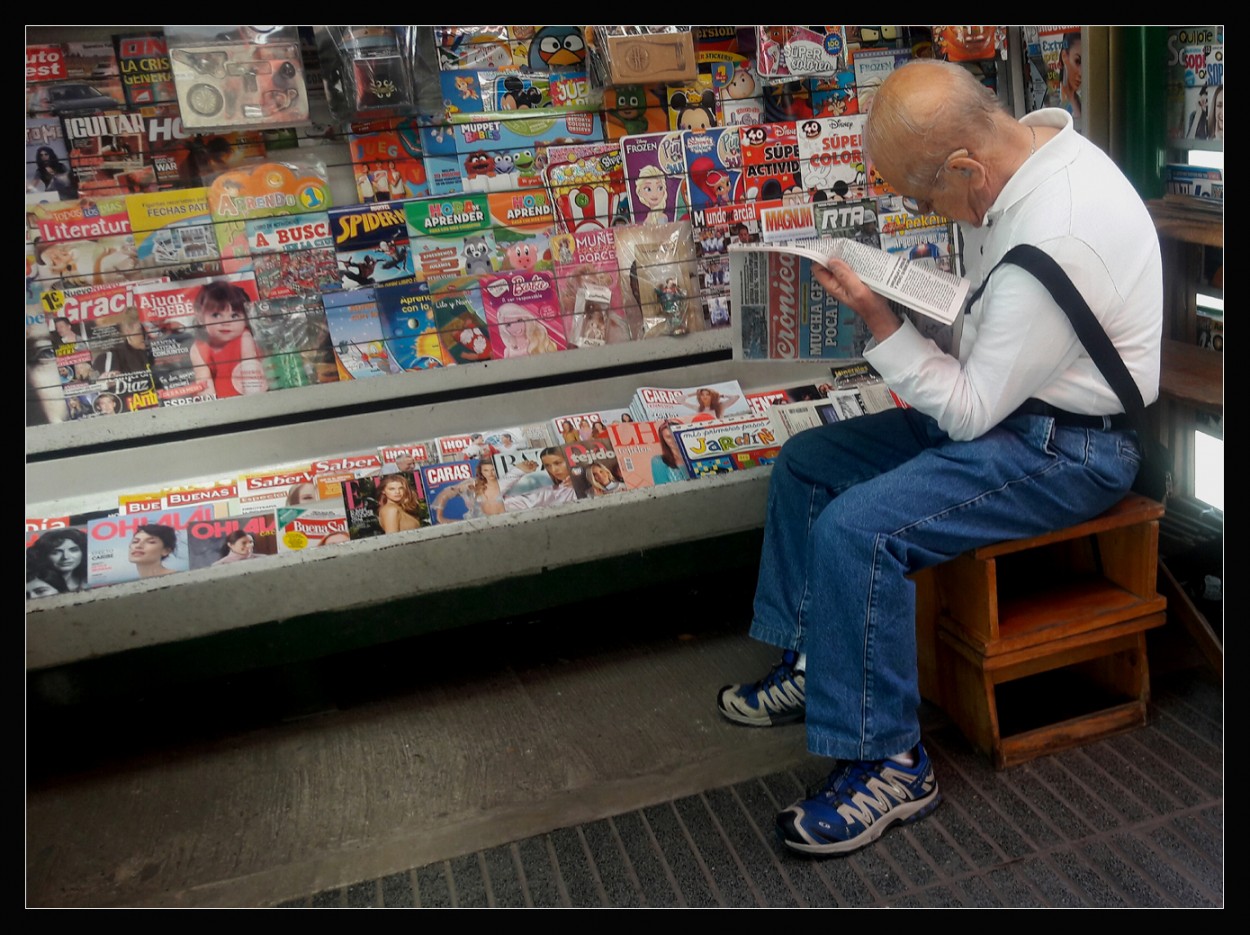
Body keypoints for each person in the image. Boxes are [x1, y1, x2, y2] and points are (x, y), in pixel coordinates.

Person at [717, 59, 1159, 858]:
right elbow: (991, 348)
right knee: (808, 461)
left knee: (860, 531)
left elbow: (965, 409)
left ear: (966, 168)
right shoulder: (1030, 154)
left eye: (925, 199)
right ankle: (818, 661)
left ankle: (892, 761)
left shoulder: (1054, 232)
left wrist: (885, 325)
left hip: (1068, 447)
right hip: (1015, 408)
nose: (926, 211)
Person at [189, 281, 268, 398]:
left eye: (234, 316)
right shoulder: (199, 347)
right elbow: (204, 382)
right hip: (222, 404)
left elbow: (251, 375)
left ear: (246, 319)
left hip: (251, 398)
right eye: (216, 315)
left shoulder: (245, 337)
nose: (226, 322)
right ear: (201, 318)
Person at [497, 447, 578, 511]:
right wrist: (518, 470)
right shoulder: (548, 494)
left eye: (558, 463)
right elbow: (494, 501)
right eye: (548, 466)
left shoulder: (588, 481)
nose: (553, 470)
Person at [26, 527, 88, 594]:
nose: (65, 557)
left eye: (73, 550)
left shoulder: (89, 581)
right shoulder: (31, 582)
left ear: (83, 552)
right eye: (55, 552)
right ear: (44, 555)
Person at [650, 419, 689, 485]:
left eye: (675, 435)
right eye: (668, 437)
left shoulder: (696, 456)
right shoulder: (658, 461)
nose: (674, 440)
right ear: (664, 440)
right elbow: (662, 488)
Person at [1058, 32, 1082, 120]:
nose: (1081, 73)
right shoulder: (1056, 103)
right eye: (1077, 61)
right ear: (1064, 56)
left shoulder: (1083, 103)